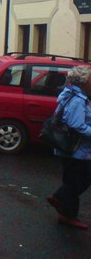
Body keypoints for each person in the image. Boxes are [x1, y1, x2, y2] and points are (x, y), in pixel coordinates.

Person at [48, 65, 91, 230]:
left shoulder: (76, 95)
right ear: (83, 82)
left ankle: (59, 198)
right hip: (74, 150)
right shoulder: (77, 100)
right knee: (74, 183)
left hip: (76, 150)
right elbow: (76, 124)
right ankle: (67, 215)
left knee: (83, 180)